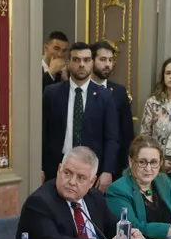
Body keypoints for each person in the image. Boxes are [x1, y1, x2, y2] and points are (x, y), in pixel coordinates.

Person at [19, 147, 143, 239]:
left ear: (92, 182)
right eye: (67, 173)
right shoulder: (39, 203)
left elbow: (113, 227)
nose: (72, 182)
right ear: (59, 170)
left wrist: (130, 234)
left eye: (81, 177)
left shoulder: (95, 198)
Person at [42, 42, 119, 191]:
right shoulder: (52, 93)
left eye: (86, 60)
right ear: (69, 63)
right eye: (76, 60)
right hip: (56, 168)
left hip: (90, 170)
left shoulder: (105, 96)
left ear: (92, 62)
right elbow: (43, 132)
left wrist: (108, 171)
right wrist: (39, 168)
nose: (82, 64)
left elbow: (112, 137)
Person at [105, 136, 171, 239]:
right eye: (142, 162)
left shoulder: (163, 180)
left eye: (153, 162)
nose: (148, 168)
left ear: (160, 163)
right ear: (130, 161)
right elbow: (132, 227)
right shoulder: (118, 190)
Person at [91, 40, 135, 180]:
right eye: (103, 59)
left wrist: (126, 166)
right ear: (91, 61)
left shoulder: (119, 92)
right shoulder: (80, 91)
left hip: (113, 166)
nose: (108, 64)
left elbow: (126, 133)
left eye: (110, 60)